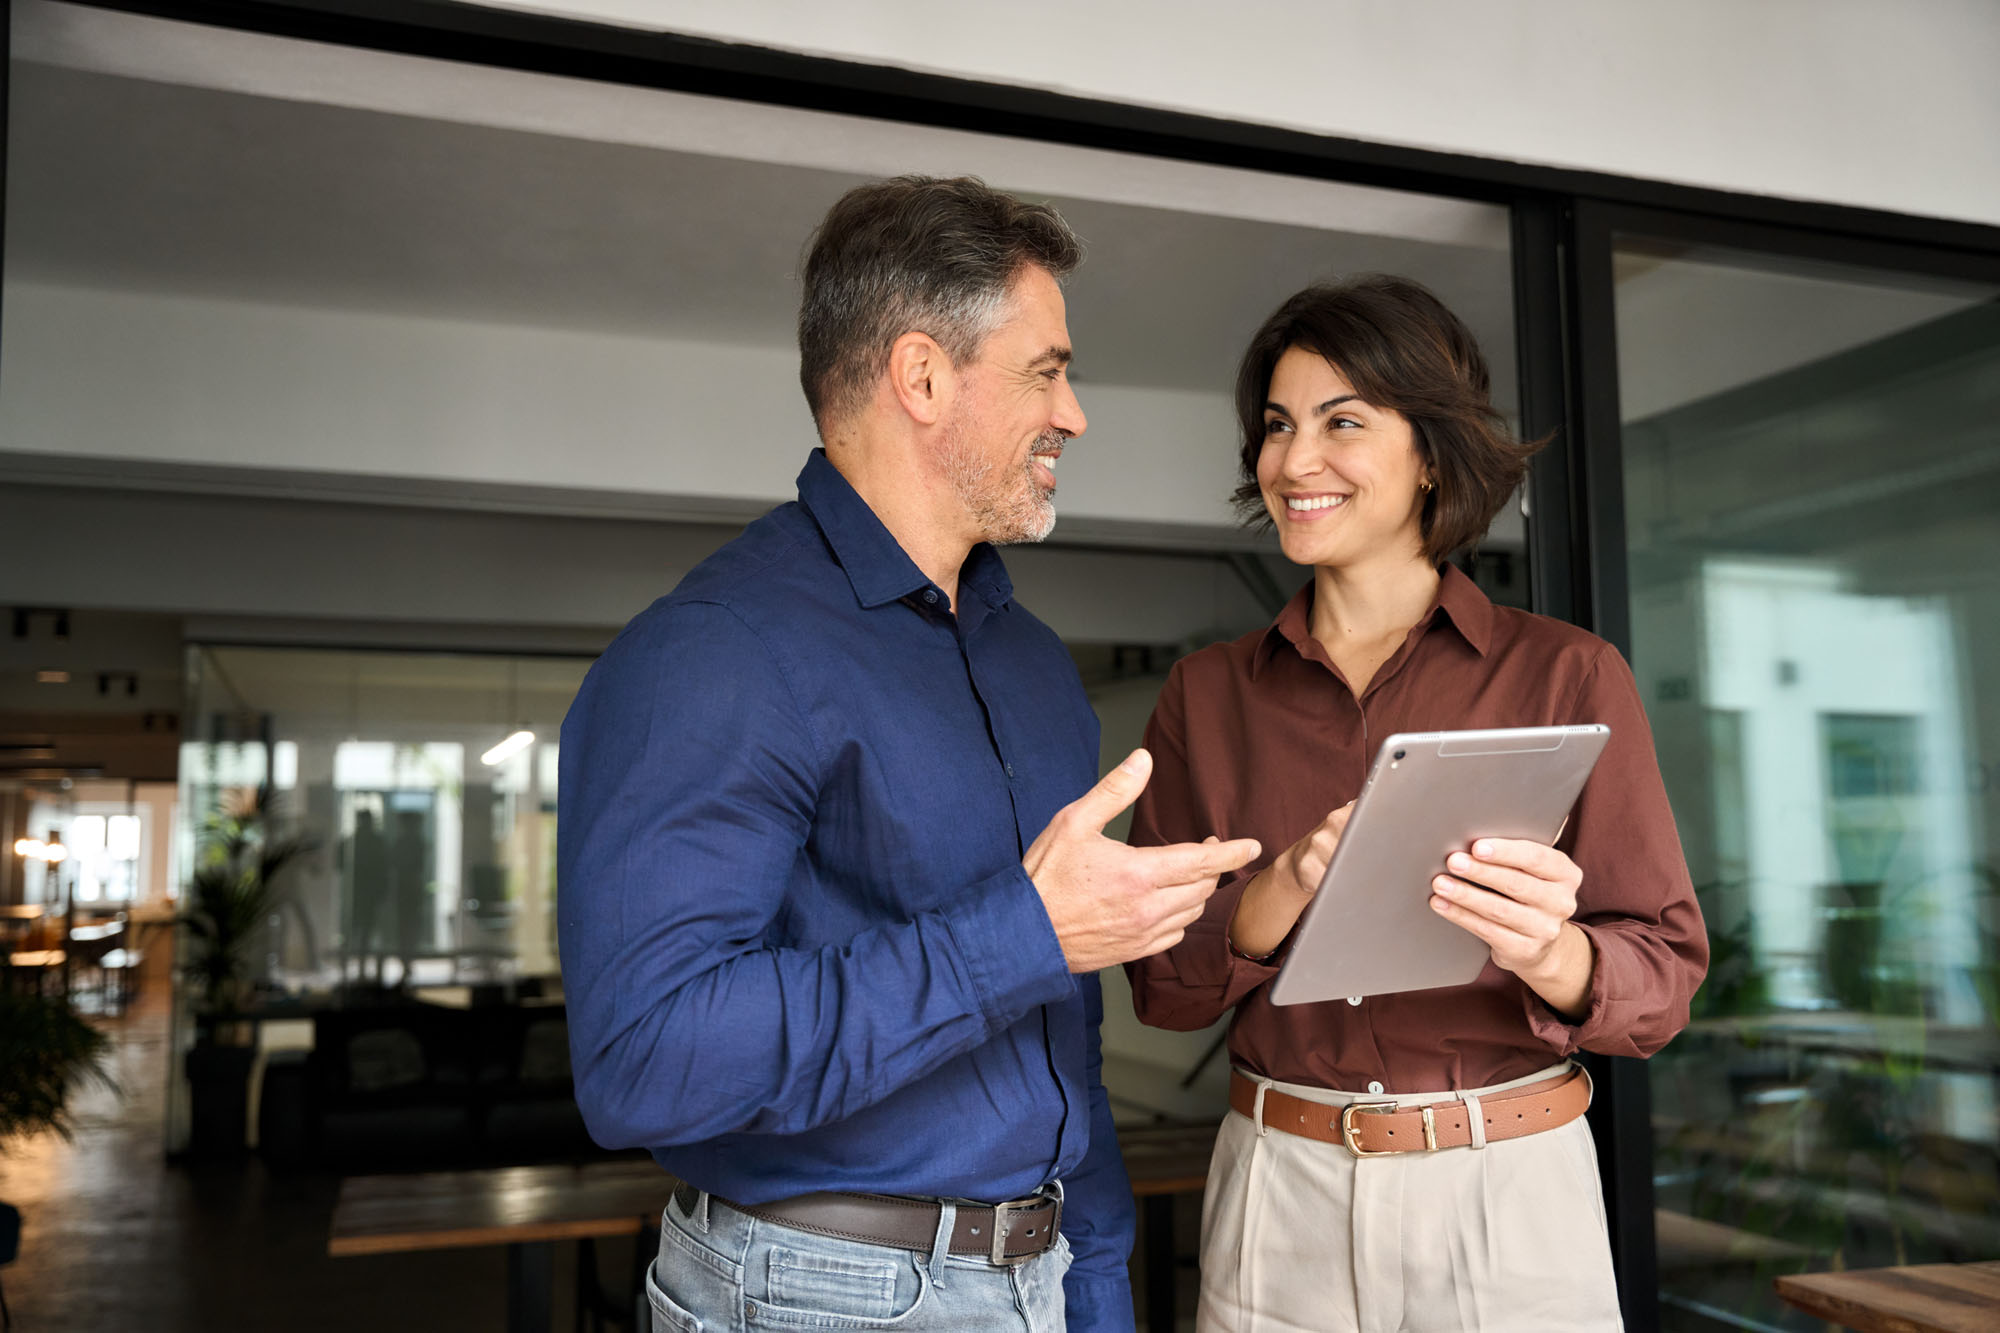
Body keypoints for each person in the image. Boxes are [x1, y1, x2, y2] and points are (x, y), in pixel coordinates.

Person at [559, 175, 1260, 1333]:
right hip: (810, 1296)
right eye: (1046, 369)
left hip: (1038, 1271)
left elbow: (1057, 1045)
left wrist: (1093, 1284)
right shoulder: (713, 654)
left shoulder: (1031, 667)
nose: (1074, 413)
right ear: (922, 376)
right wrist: (1024, 934)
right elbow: (647, 1056)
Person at [1125, 276, 1708, 1332]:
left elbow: (1661, 980)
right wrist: (1277, 891)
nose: (1292, 461)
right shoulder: (1204, 695)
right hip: (1277, 1187)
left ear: (1431, 452)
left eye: (1340, 421)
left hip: (1506, 1187)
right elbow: (1161, 988)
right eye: (1276, 425)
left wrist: (1547, 950)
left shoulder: (1567, 675)